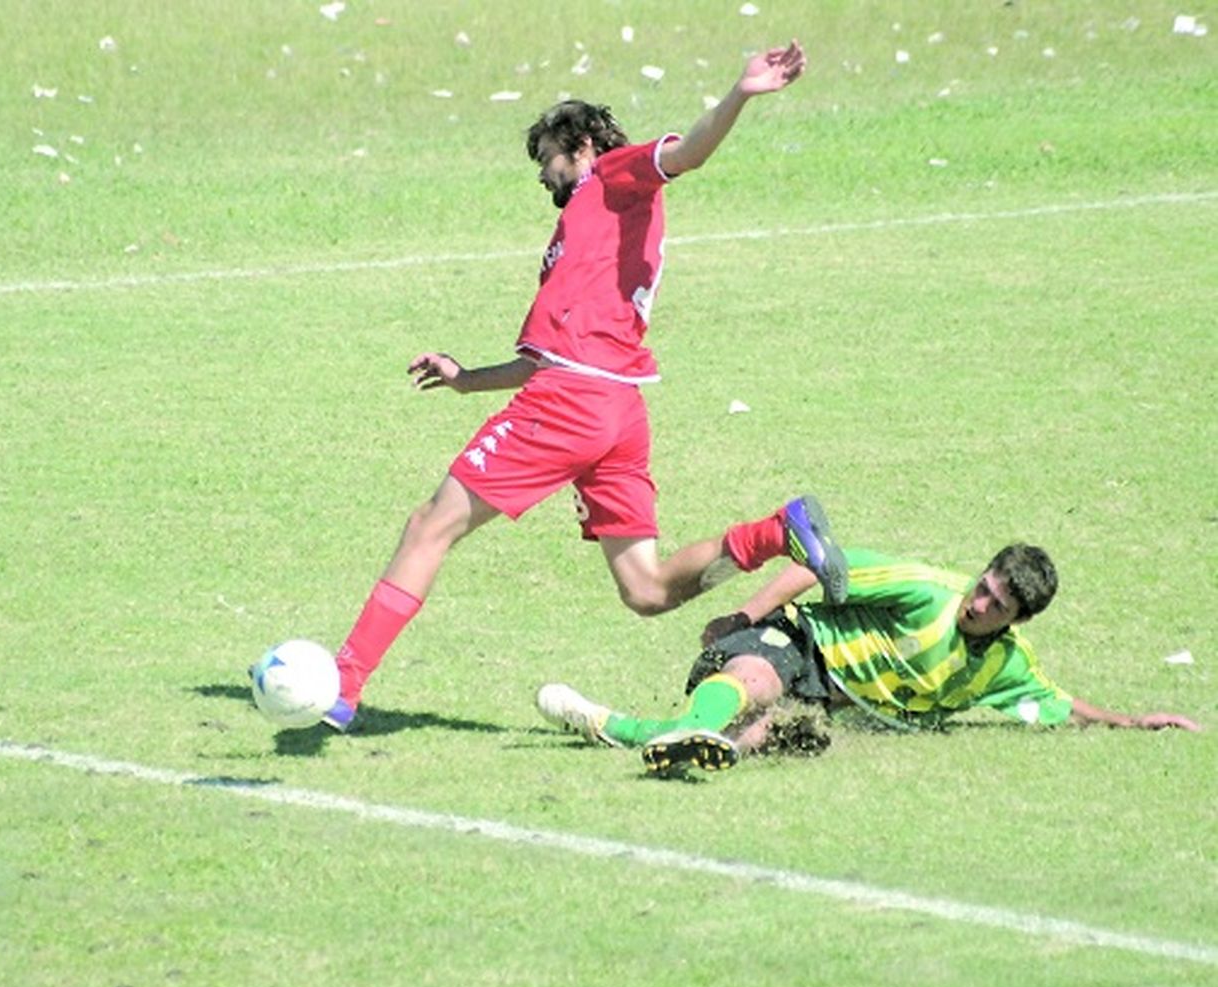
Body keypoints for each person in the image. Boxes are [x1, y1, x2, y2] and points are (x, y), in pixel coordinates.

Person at [323, 42, 812, 732]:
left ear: (580, 147)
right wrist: (468, 381)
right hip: (616, 406)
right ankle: (776, 532)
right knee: (646, 590)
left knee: (429, 526)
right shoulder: (588, 232)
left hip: (572, 403)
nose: (543, 176)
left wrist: (743, 92)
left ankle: (342, 684)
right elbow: (538, 360)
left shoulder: (610, 178)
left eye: (547, 159)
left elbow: (688, 154)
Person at [537, 538, 1204, 776]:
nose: (978, 605)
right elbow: (814, 568)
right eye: (983, 588)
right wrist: (744, 616)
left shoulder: (1006, 668)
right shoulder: (926, 590)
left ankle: (623, 729)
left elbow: (1057, 705)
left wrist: (1132, 721)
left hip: (828, 702)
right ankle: (654, 729)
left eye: (996, 606)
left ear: (1017, 621)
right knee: (755, 683)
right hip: (800, 640)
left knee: (756, 736)